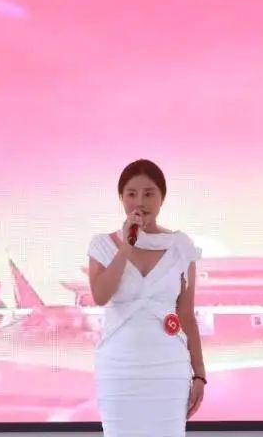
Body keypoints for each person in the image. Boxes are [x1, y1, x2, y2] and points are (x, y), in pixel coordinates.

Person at [87, 159, 206, 436]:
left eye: (149, 193)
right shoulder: (102, 245)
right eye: (131, 194)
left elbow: (186, 316)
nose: (140, 202)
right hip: (118, 369)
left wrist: (199, 374)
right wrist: (127, 246)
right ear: (121, 198)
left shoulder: (181, 247)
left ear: (162, 198)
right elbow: (100, 295)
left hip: (168, 369)